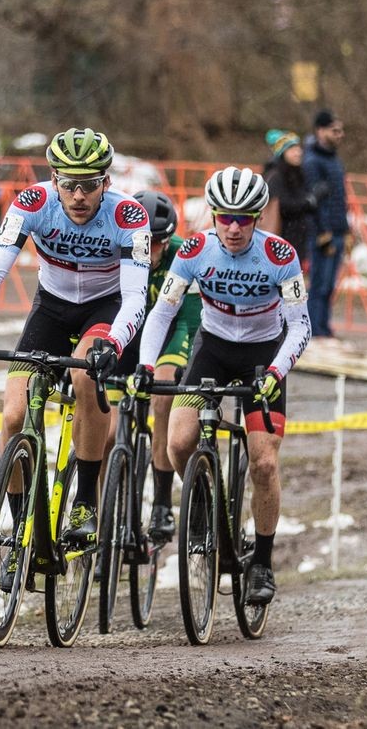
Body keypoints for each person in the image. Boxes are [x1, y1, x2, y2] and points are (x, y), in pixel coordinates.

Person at [0, 128, 150, 569]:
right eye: (69, 184)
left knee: (84, 376)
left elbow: (136, 296)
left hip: (104, 306)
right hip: (52, 309)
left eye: (90, 184)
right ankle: (22, 525)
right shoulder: (32, 203)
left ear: (106, 183)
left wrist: (114, 342)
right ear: (53, 179)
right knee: (14, 415)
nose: (78, 195)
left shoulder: (129, 217)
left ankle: (85, 502)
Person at [130, 166, 311, 606]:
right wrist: (147, 364)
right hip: (211, 348)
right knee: (177, 443)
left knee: (263, 463)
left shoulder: (280, 255)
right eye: (224, 217)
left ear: (259, 217)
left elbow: (300, 326)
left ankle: (262, 563)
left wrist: (276, 372)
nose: (232, 228)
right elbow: (162, 313)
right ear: (212, 215)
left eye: (244, 218)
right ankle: (201, 509)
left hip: (262, 356)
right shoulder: (193, 250)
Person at [109, 190, 203, 543]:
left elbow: (188, 320)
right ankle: (101, 519)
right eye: (145, 244)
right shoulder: (118, 248)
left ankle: (162, 501)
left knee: (164, 394)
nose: (151, 254)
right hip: (130, 337)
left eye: (159, 244)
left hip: (171, 332)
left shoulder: (182, 254)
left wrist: (165, 369)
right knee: (107, 429)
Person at [303, 109, 350, 339]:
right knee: (319, 283)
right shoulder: (312, 161)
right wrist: (324, 232)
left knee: (329, 285)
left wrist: (345, 228)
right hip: (324, 232)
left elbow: (338, 198)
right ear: (320, 131)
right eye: (335, 130)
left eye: (341, 130)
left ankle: (324, 326)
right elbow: (316, 202)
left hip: (337, 229)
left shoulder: (333, 160)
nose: (340, 135)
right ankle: (314, 328)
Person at [260, 129, 315, 264]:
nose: (298, 152)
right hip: (280, 237)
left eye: (298, 148)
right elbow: (283, 205)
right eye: (292, 148)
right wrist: (308, 202)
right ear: (282, 152)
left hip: (296, 236)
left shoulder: (297, 173)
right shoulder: (276, 175)